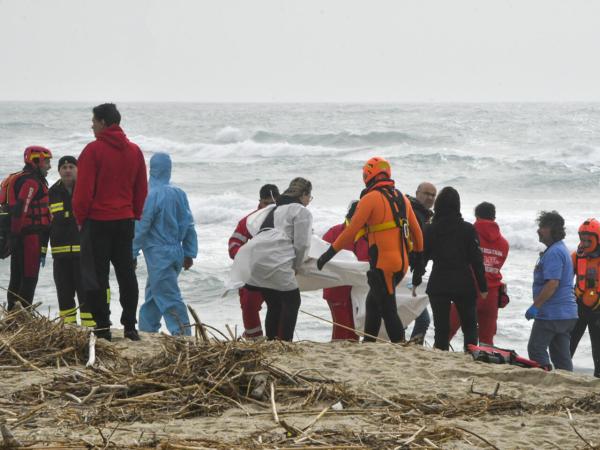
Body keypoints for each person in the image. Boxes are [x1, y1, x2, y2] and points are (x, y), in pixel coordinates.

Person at [317, 157, 424, 343]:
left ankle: (400, 345)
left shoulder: (370, 198)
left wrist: (328, 254)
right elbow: (417, 232)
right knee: (372, 303)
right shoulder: (402, 198)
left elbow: (351, 231)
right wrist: (419, 260)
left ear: (368, 175)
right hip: (402, 264)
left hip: (384, 264)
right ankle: (369, 343)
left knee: (388, 309)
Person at [73, 103, 148, 341]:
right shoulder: (135, 151)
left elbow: (83, 191)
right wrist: (134, 213)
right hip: (125, 220)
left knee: (97, 275)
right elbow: (141, 189)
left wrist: (80, 218)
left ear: (103, 123)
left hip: (97, 221)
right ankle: (130, 326)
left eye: (93, 121)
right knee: (126, 273)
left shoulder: (93, 150)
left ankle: (103, 326)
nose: (91, 125)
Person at [132, 153, 198, 336]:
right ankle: (147, 330)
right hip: (176, 250)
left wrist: (132, 252)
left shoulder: (149, 194)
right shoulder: (179, 193)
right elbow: (189, 224)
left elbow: (142, 226)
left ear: (151, 169)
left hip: (158, 253)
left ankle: (183, 335)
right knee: (154, 294)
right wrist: (189, 252)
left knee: (168, 297)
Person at [244, 177, 313, 341]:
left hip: (256, 258)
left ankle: (271, 341)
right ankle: (285, 342)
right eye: (309, 197)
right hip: (277, 260)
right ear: (303, 194)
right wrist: (296, 266)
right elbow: (302, 244)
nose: (309, 201)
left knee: (274, 305)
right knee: (292, 301)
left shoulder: (274, 209)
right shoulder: (301, 211)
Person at [420, 187, 487, 351]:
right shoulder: (467, 229)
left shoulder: (431, 229)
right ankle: (470, 356)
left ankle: (441, 355)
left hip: (439, 283)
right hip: (463, 282)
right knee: (470, 326)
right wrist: (483, 286)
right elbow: (476, 260)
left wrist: (415, 280)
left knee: (441, 329)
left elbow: (422, 257)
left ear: (438, 205)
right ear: (457, 205)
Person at [448, 202, 509, 346]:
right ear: (494, 217)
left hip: (467, 290)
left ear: (476, 216)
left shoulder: (468, 234)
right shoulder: (504, 243)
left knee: (447, 330)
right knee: (486, 340)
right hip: (491, 295)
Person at [526, 211, 578, 371]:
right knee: (562, 357)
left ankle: (545, 378)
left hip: (552, 314)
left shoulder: (555, 252)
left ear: (553, 230)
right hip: (567, 314)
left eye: (542, 227)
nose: (538, 230)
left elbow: (552, 283)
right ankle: (566, 383)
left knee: (535, 349)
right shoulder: (560, 249)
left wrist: (536, 306)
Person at [228, 184, 280, 339]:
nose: (269, 207)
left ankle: (278, 339)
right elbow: (233, 245)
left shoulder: (285, 218)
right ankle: (254, 338)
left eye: (273, 203)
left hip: (277, 270)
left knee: (281, 306)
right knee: (249, 303)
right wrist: (248, 256)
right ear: (260, 202)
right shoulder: (249, 221)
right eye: (266, 203)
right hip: (254, 272)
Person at [48, 156, 94, 327]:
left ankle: (90, 328)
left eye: (71, 166)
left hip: (84, 255)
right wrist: (42, 250)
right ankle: (68, 328)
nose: (67, 170)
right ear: (59, 170)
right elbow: (46, 223)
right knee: (64, 294)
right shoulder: (51, 193)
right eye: (64, 167)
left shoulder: (87, 189)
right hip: (60, 256)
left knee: (86, 294)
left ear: (78, 169)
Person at [4, 147, 52, 309]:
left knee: (16, 277)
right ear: (36, 161)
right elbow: (21, 208)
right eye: (46, 162)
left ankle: (12, 315)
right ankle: (22, 315)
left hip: (19, 236)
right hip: (28, 237)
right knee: (29, 277)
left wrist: (13, 236)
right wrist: (16, 235)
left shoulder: (22, 178)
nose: (49, 167)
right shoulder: (31, 182)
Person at [322, 200, 369, 341]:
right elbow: (322, 258)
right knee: (342, 328)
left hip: (359, 291)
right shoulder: (335, 232)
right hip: (336, 289)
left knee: (355, 331)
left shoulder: (368, 235)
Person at [407, 182, 437, 343]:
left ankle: (409, 347)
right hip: (405, 270)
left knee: (419, 317)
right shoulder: (411, 212)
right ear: (417, 193)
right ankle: (400, 345)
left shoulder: (427, 216)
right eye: (426, 193)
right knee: (421, 318)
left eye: (433, 195)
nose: (430, 198)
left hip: (414, 273)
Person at [570, 218, 600, 377]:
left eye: (589, 240)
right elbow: (563, 279)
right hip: (579, 306)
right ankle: (563, 373)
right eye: (582, 239)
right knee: (568, 343)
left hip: (598, 310)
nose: (585, 243)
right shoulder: (577, 256)